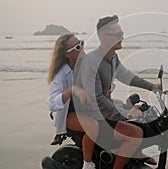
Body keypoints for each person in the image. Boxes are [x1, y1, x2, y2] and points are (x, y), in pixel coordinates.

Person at [74, 15, 160, 169]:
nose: (122, 37)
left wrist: (151, 86)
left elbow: (127, 76)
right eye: (118, 34)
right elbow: (97, 98)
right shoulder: (92, 62)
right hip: (93, 115)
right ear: (103, 37)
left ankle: (133, 154)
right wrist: (125, 114)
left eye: (122, 34)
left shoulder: (113, 57)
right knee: (136, 135)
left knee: (142, 120)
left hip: (103, 112)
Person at [47, 34, 99, 169]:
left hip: (85, 109)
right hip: (67, 113)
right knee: (93, 126)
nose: (81, 48)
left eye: (81, 43)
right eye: (77, 46)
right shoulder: (61, 75)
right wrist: (72, 90)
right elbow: (52, 103)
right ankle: (88, 164)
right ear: (67, 54)